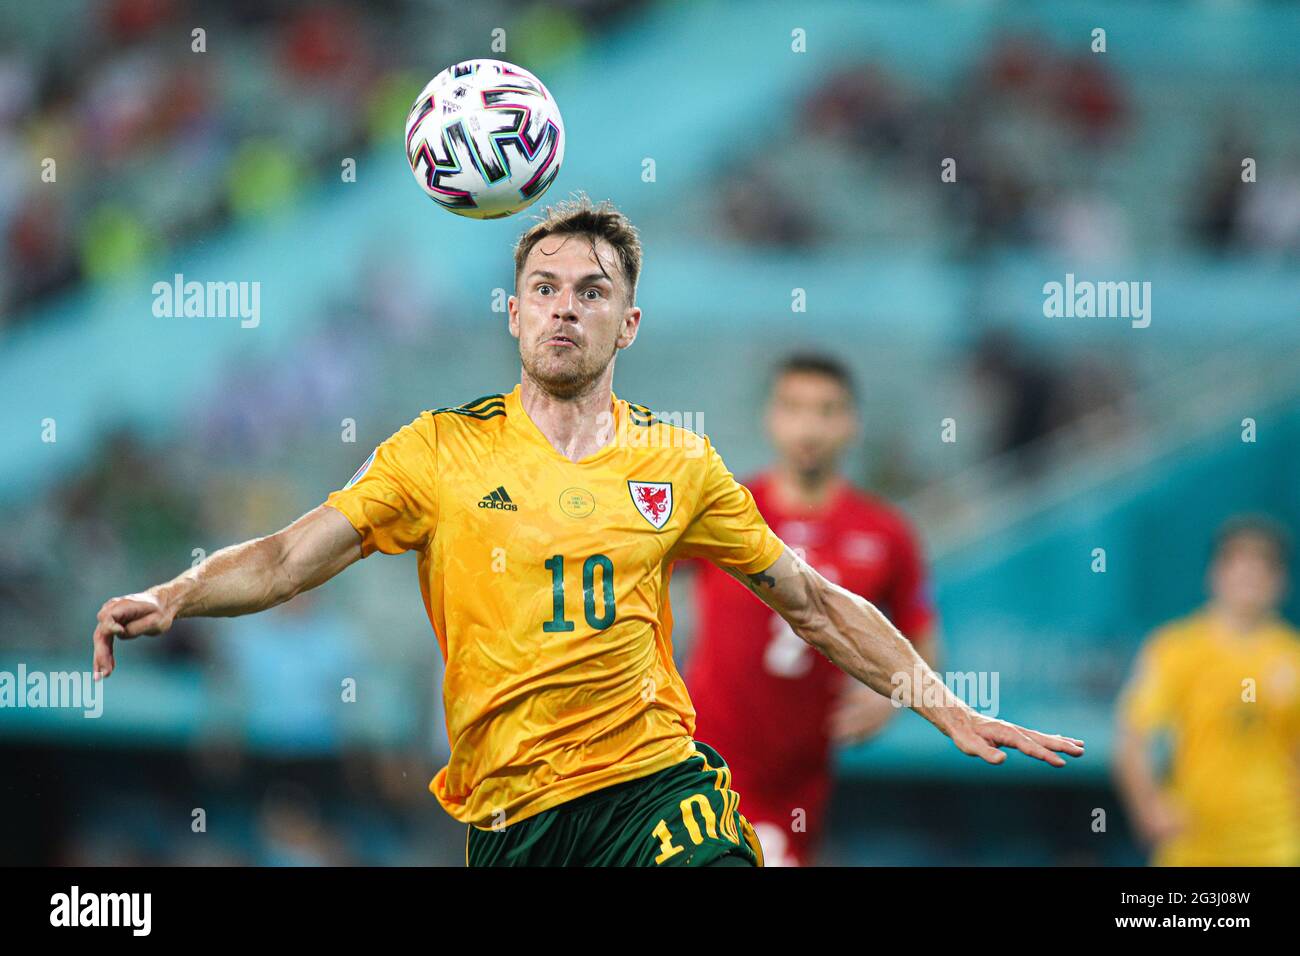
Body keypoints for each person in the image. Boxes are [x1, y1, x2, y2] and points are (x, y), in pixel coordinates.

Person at [91, 194, 1084, 867]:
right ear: (512, 313)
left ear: (630, 324)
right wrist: (175, 593)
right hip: (512, 811)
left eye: (592, 290)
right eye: (546, 289)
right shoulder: (435, 452)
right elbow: (279, 561)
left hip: (653, 783)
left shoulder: (679, 464)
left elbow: (813, 601)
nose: (566, 308)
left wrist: (938, 701)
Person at [685, 354, 938, 866]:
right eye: (794, 408)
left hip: (799, 781)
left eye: (827, 411)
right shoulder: (725, 509)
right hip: (700, 759)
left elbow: (923, 637)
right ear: (771, 418)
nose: (809, 426)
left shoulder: (885, 533)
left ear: (852, 424)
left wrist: (892, 700)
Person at [1114, 516, 1300, 866]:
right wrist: (1148, 805)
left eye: (1261, 569)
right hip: (1194, 843)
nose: (1249, 579)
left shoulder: (1292, 657)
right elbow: (1133, 735)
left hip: (1277, 845)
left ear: (1280, 582)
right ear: (1215, 574)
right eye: (1238, 566)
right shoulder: (1176, 648)